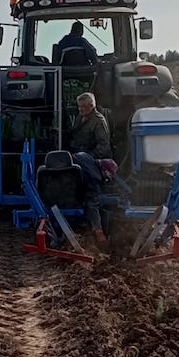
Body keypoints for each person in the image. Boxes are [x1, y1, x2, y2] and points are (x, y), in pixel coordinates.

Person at [68, 92, 112, 244]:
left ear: (92, 106)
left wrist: (87, 157)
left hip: (93, 161)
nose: (81, 109)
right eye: (79, 107)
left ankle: (98, 231)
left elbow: (104, 147)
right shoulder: (80, 118)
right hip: (78, 158)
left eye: (84, 107)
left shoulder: (99, 121)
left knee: (91, 193)